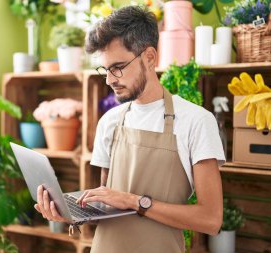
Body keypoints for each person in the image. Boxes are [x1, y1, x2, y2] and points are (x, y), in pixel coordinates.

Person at [34, 6, 224, 253]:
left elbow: (210, 220)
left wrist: (135, 202)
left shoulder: (196, 121)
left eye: (118, 67)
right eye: (105, 69)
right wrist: (69, 212)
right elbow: (105, 208)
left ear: (150, 56)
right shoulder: (110, 121)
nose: (110, 79)